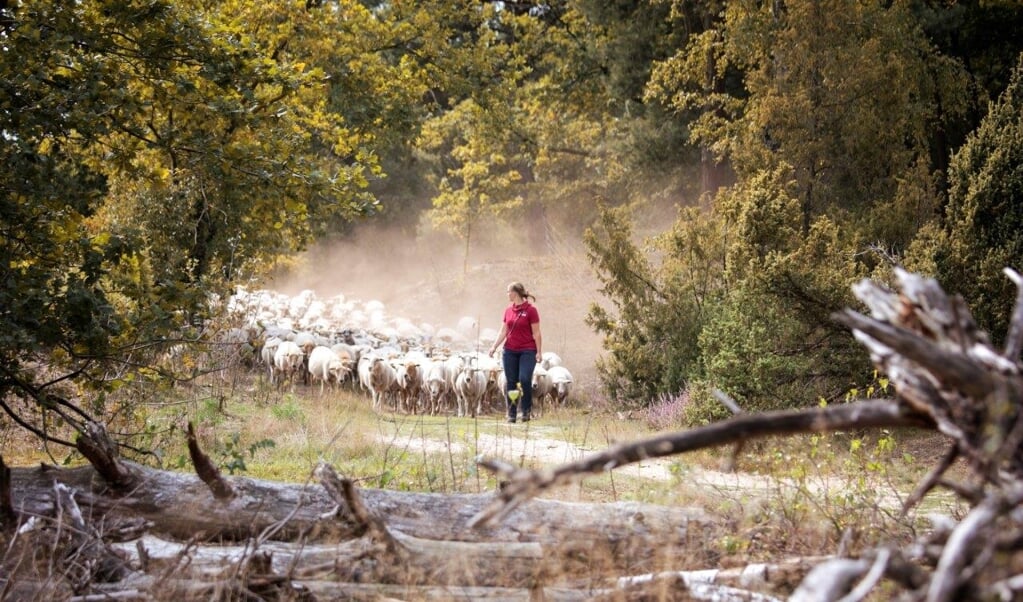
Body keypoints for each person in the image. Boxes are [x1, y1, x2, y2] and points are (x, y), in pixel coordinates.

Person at [488, 282, 542, 423]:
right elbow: (503, 331)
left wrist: (539, 352)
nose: (507, 294)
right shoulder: (508, 311)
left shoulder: (531, 310)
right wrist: (494, 347)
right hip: (510, 351)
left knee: (524, 379)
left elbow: (536, 333)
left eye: (508, 291)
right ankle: (512, 413)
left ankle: (526, 411)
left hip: (528, 350)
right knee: (511, 382)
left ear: (515, 293)